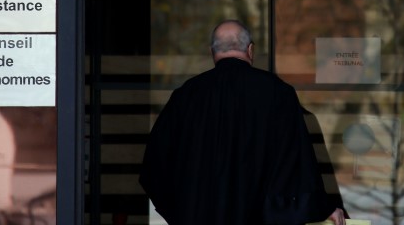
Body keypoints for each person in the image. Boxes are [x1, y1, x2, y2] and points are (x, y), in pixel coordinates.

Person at [139, 19, 346, 225]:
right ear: (250, 50)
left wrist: (182, 213)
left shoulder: (185, 96)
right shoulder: (278, 93)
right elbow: (295, 168)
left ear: (213, 51)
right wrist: (322, 207)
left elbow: (153, 169)